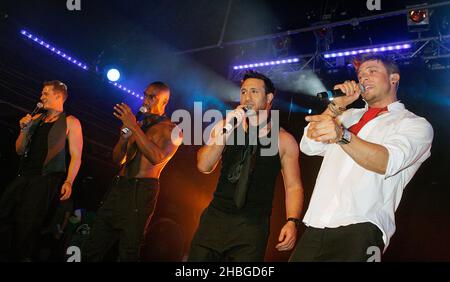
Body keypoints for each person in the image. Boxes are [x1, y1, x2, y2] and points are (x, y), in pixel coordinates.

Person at [290, 54, 434, 262]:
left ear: (394, 79)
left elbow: (385, 162)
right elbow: (309, 145)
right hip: (317, 224)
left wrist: (342, 135)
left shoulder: (414, 124)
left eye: (372, 71)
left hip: (362, 227)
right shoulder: (346, 115)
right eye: (360, 75)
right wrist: (336, 106)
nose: (363, 78)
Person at [188, 71, 304, 262]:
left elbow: (293, 186)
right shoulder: (226, 126)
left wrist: (292, 221)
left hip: (252, 226)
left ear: (269, 98)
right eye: (243, 92)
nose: (246, 97)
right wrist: (226, 131)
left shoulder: (283, 140)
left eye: (253, 92)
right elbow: (204, 166)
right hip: (215, 219)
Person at [82, 81, 182, 261]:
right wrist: (123, 138)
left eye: (152, 97)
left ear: (164, 101)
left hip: (141, 191)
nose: (145, 100)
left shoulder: (171, 130)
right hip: (119, 187)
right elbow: (117, 159)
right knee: (92, 246)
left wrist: (134, 127)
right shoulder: (139, 125)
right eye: (145, 95)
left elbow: (157, 157)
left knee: (128, 251)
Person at [0, 80, 83, 261]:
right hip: (24, 175)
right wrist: (24, 130)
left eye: (45, 93)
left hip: (45, 179)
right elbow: (19, 150)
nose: (41, 97)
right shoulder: (36, 119)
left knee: (27, 224)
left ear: (58, 96)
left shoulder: (71, 122)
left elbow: (76, 156)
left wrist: (69, 181)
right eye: (42, 93)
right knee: (4, 213)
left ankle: (23, 257)